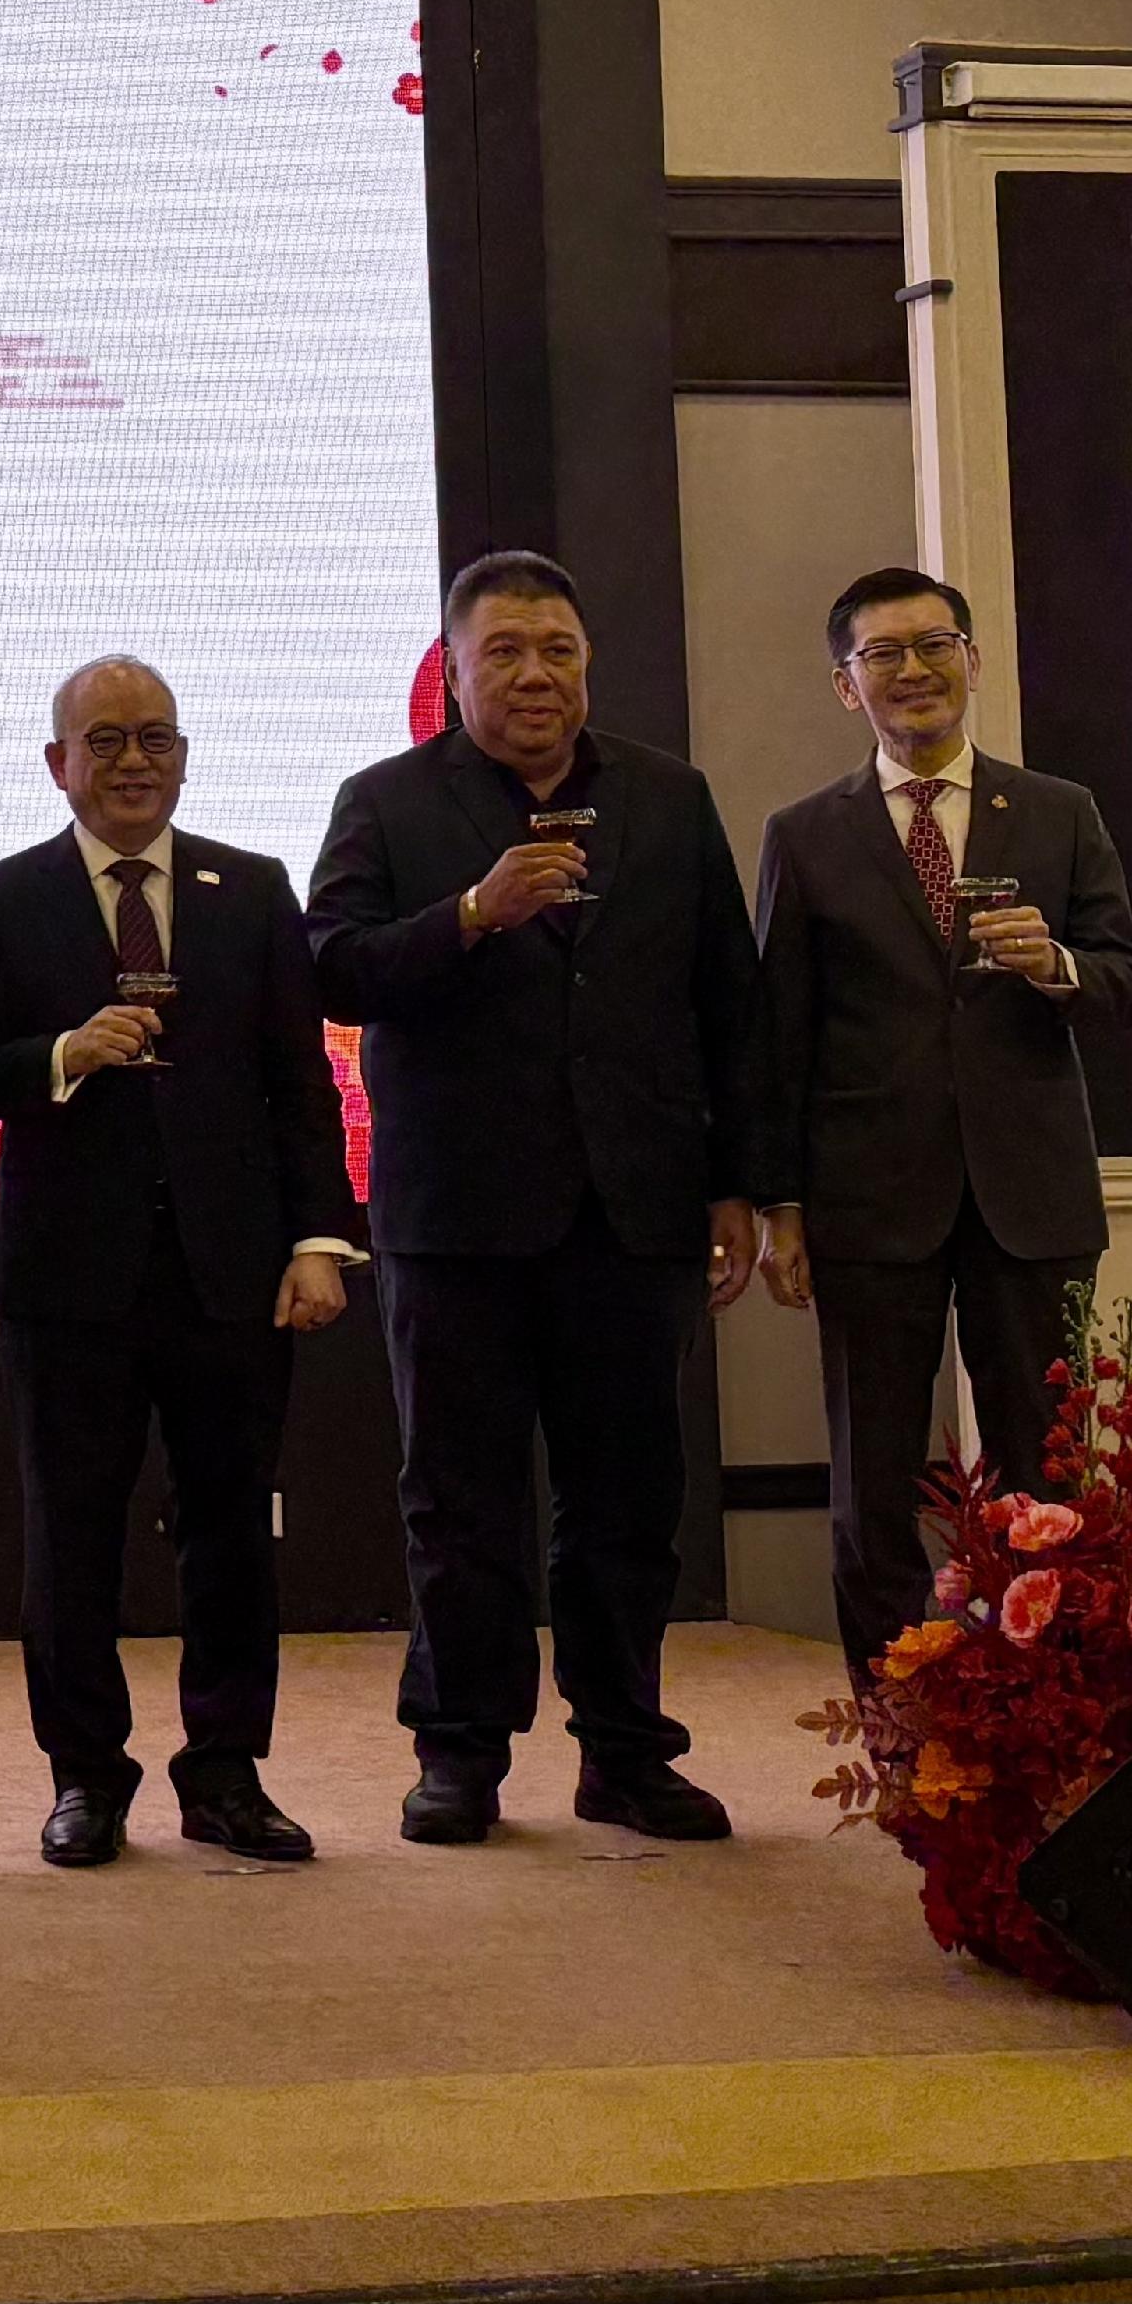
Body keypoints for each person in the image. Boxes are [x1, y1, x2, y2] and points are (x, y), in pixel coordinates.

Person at [307, 550, 764, 1847]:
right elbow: (331, 968)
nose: (534, 675)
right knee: (460, 1499)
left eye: (556, 649)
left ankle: (625, 1749)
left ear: (587, 665)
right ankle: (460, 1751)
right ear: (451, 674)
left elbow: (727, 1003)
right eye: (502, 652)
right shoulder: (388, 805)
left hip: (636, 1211)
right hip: (456, 1219)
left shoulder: (669, 801)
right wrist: (469, 913)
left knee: (628, 1498)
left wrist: (739, 1182)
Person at [0, 657, 359, 1869]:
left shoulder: (253, 889)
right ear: (57, 763)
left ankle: (225, 1772)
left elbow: (300, 1083)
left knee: (232, 1527)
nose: (133, 762)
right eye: (106, 741)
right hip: (69, 1276)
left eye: (156, 739)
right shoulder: (1, 896)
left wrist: (317, 1240)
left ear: (183, 756)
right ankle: (86, 1778)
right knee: (68, 1530)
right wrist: (62, 1056)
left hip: (230, 1271)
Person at [749, 569, 1132, 1686]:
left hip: (1030, 1193)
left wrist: (1054, 965)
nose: (912, 671)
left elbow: (1117, 970)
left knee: (1043, 1468)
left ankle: (1044, 1701)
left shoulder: (1056, 811)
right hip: (868, 1197)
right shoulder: (804, 835)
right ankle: (896, 1709)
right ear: (844, 685)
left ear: (971, 661)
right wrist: (779, 1204)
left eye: (933, 646)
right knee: (874, 1473)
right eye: (883, 655)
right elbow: (778, 1031)